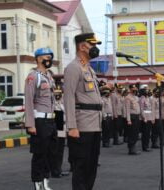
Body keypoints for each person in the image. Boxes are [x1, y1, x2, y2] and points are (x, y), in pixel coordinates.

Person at [64, 33, 102, 190]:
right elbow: (69, 98)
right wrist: (72, 126)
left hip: (94, 124)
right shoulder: (73, 68)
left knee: (92, 166)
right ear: (82, 46)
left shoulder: (89, 69)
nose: (95, 48)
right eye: (92, 44)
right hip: (82, 126)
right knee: (81, 166)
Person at [25, 48, 57, 190]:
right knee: (39, 153)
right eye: (46, 57)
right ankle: (37, 182)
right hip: (39, 121)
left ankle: (45, 180)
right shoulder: (33, 76)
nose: (48, 59)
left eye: (50, 57)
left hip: (50, 120)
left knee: (50, 153)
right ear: (38, 59)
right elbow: (29, 101)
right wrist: (30, 124)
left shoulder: (49, 76)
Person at [50, 86, 70, 178]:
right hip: (54, 129)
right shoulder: (52, 105)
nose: (57, 95)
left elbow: (65, 118)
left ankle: (58, 169)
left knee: (60, 149)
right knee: (54, 150)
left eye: (59, 94)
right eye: (56, 94)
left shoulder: (63, 103)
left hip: (61, 129)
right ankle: (54, 170)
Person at [125, 84, 141, 155]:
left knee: (136, 133)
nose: (135, 89)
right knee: (132, 133)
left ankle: (134, 147)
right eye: (133, 88)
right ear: (130, 89)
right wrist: (128, 120)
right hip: (132, 117)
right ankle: (131, 149)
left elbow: (138, 108)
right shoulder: (128, 97)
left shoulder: (136, 97)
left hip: (137, 116)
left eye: (135, 88)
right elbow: (127, 109)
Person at [139, 85, 153, 152]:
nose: (147, 91)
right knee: (145, 133)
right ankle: (144, 146)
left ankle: (147, 145)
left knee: (148, 133)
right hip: (145, 118)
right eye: (146, 89)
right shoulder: (142, 98)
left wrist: (152, 117)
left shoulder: (148, 98)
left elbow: (150, 109)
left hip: (149, 117)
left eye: (147, 89)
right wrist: (144, 117)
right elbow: (141, 109)